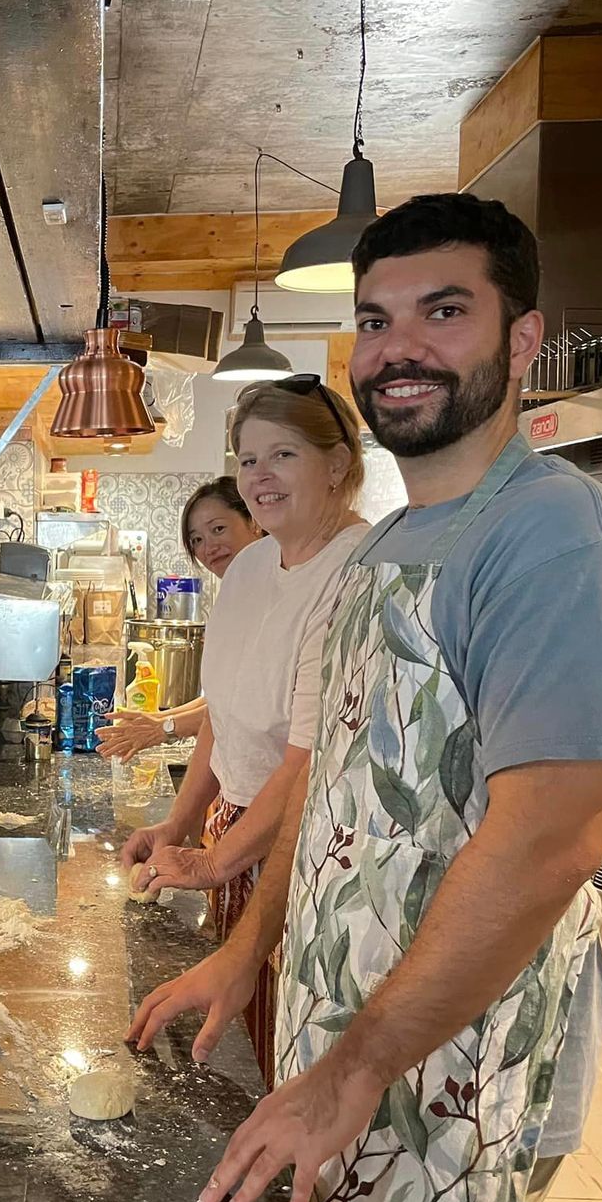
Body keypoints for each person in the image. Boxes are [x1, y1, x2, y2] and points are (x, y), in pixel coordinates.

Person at [130, 193, 602, 1202]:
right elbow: (330, 786)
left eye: (443, 312)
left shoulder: (549, 533)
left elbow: (554, 838)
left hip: (448, 1086)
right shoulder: (391, 548)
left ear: (521, 342)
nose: (399, 345)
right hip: (365, 1062)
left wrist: (346, 1075)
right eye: (378, 318)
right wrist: (244, 958)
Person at [122, 378, 369, 1081]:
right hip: (235, 830)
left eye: (281, 454)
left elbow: (308, 762)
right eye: (247, 458)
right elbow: (221, 719)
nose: (259, 477)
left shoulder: (358, 571)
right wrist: (181, 825)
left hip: (310, 849)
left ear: (338, 464)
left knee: (301, 1048)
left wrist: (215, 861)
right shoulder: (257, 564)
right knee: (247, 1037)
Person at [95, 476, 262, 760]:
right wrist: (157, 721)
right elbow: (219, 698)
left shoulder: (271, 595)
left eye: (218, 529)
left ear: (254, 521)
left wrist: (165, 727)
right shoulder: (240, 592)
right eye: (197, 539)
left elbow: (250, 703)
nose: (208, 548)